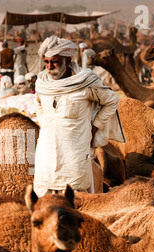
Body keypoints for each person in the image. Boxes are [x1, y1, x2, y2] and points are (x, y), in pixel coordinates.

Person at [33, 35, 124, 196]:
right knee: (45, 197)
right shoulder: (42, 83)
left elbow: (111, 100)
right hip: (47, 149)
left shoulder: (85, 81)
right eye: (46, 62)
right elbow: (38, 103)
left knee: (76, 197)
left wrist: (95, 127)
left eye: (55, 61)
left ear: (67, 61)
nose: (49, 66)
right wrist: (46, 124)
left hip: (74, 150)